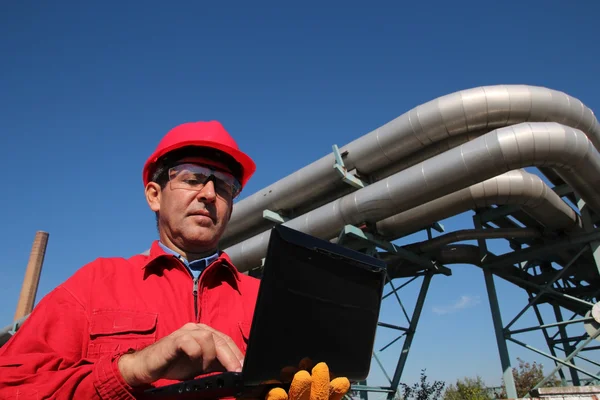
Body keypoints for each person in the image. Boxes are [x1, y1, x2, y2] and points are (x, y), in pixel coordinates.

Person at [0, 121, 350, 400]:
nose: (210, 194)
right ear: (154, 195)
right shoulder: (94, 284)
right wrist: (133, 368)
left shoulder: (267, 299)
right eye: (194, 179)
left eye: (225, 187)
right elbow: (11, 386)